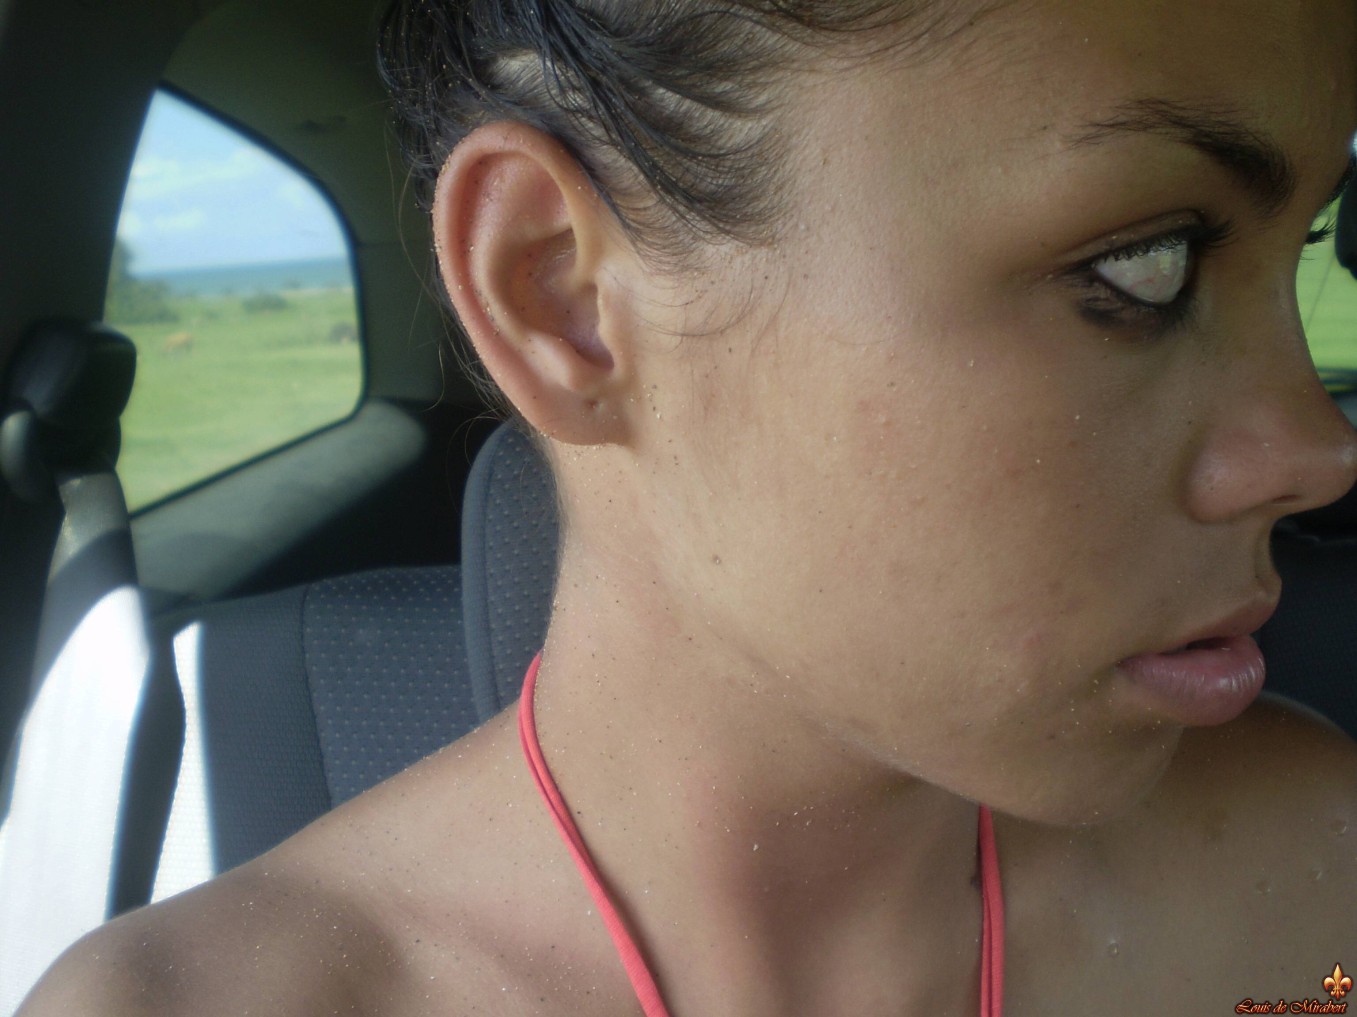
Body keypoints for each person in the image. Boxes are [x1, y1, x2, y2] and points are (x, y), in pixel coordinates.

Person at [20, 0, 1357, 1014]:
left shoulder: (1320, 904)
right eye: (1144, 266)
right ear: (563, 299)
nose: (1317, 450)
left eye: (1298, 252)